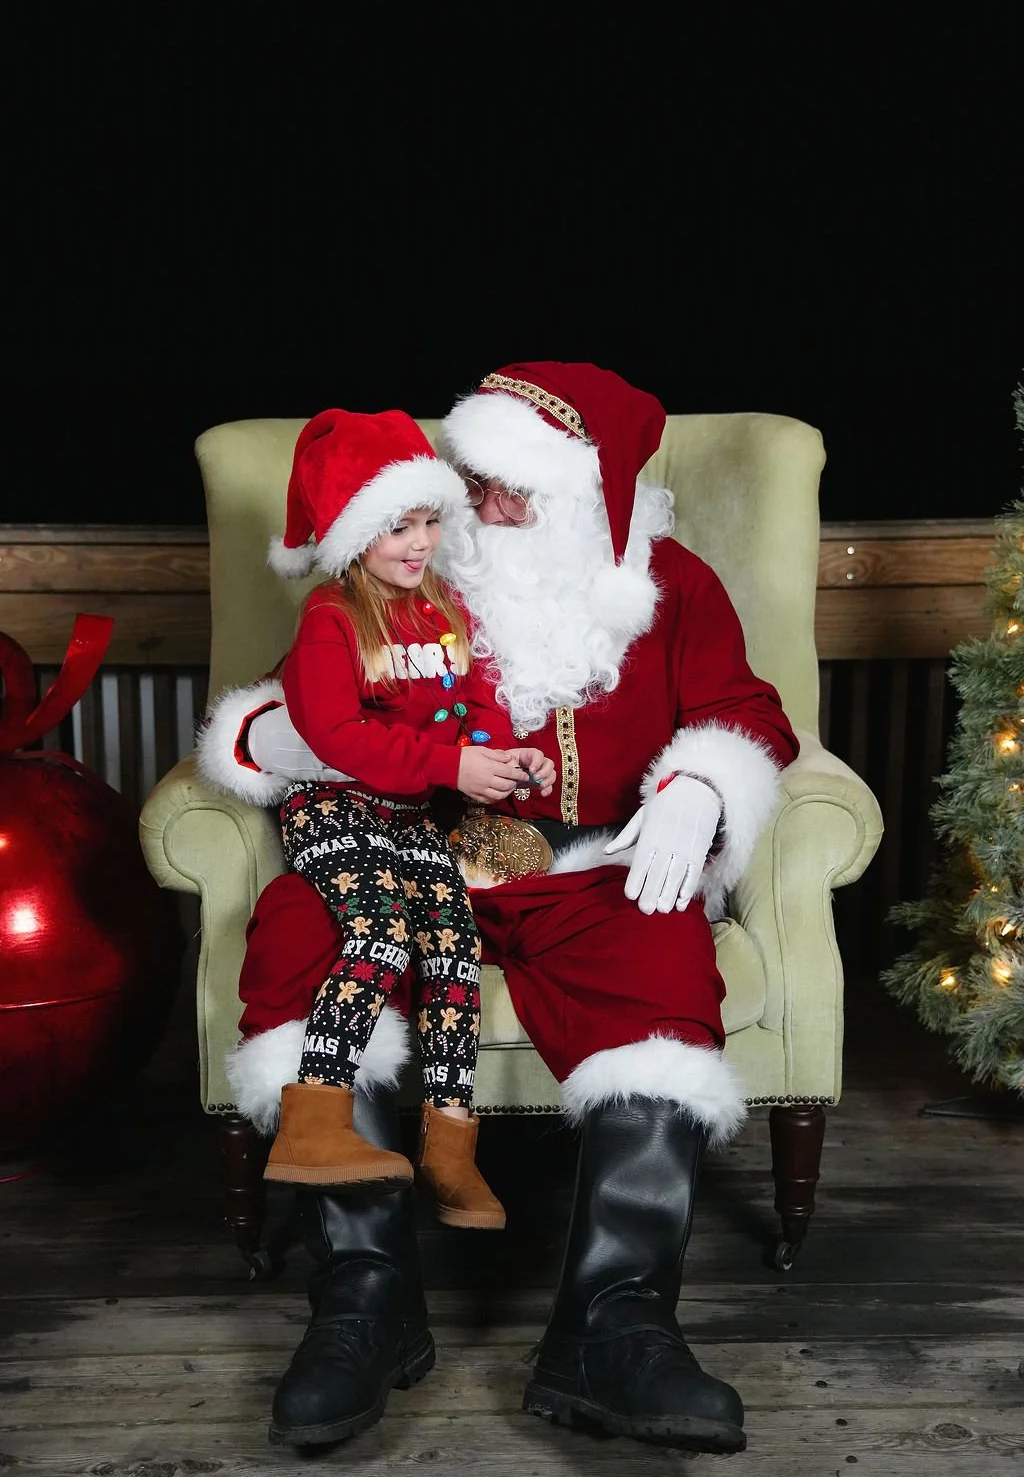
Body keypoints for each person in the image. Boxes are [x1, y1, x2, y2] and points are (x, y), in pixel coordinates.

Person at [201, 363, 800, 1455]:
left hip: (589, 871)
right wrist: (283, 737)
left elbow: (743, 708)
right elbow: (280, 705)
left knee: (663, 961)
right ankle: (364, 1304)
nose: (483, 505)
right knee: (301, 929)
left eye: (515, 489)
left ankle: (614, 1325)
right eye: (474, 477)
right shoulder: (407, 569)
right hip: (410, 846)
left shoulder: (674, 585)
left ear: (590, 495)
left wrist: (699, 787)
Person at [198, 407, 555, 1230]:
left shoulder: (442, 612)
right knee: (383, 932)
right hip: (332, 806)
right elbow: (338, 736)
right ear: (353, 530)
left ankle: (450, 1149)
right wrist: (448, 766)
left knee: (454, 950)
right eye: (399, 525)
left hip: (409, 814)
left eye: (431, 519)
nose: (421, 541)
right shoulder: (330, 621)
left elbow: (471, 712)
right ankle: (313, 1122)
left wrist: (504, 764)